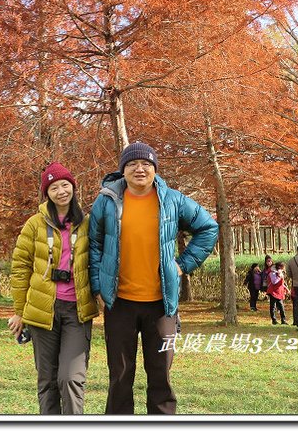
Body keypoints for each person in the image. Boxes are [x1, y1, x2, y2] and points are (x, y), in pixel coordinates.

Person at [89, 142, 219, 415]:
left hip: (162, 305)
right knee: (120, 377)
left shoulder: (172, 199)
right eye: (132, 164)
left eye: (146, 164)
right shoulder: (107, 200)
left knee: (160, 376)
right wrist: (98, 286)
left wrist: (183, 265)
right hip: (119, 302)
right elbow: (94, 245)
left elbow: (208, 227)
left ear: (154, 169)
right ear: (122, 169)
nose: (140, 169)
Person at [9, 162, 98, 414]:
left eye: (65, 185)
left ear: (73, 187)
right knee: (47, 380)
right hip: (42, 311)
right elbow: (20, 268)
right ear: (46, 193)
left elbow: (102, 260)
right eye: (54, 187)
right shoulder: (34, 224)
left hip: (77, 311)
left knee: (71, 378)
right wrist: (19, 311)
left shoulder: (87, 224)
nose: (61, 191)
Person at [266, 260, 288, 325]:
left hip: (279, 291)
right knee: (273, 306)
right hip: (273, 291)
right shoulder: (272, 272)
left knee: (281, 306)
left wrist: (286, 289)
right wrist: (279, 276)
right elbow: (274, 282)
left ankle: (283, 320)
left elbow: (282, 282)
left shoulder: (280, 272)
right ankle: (274, 320)